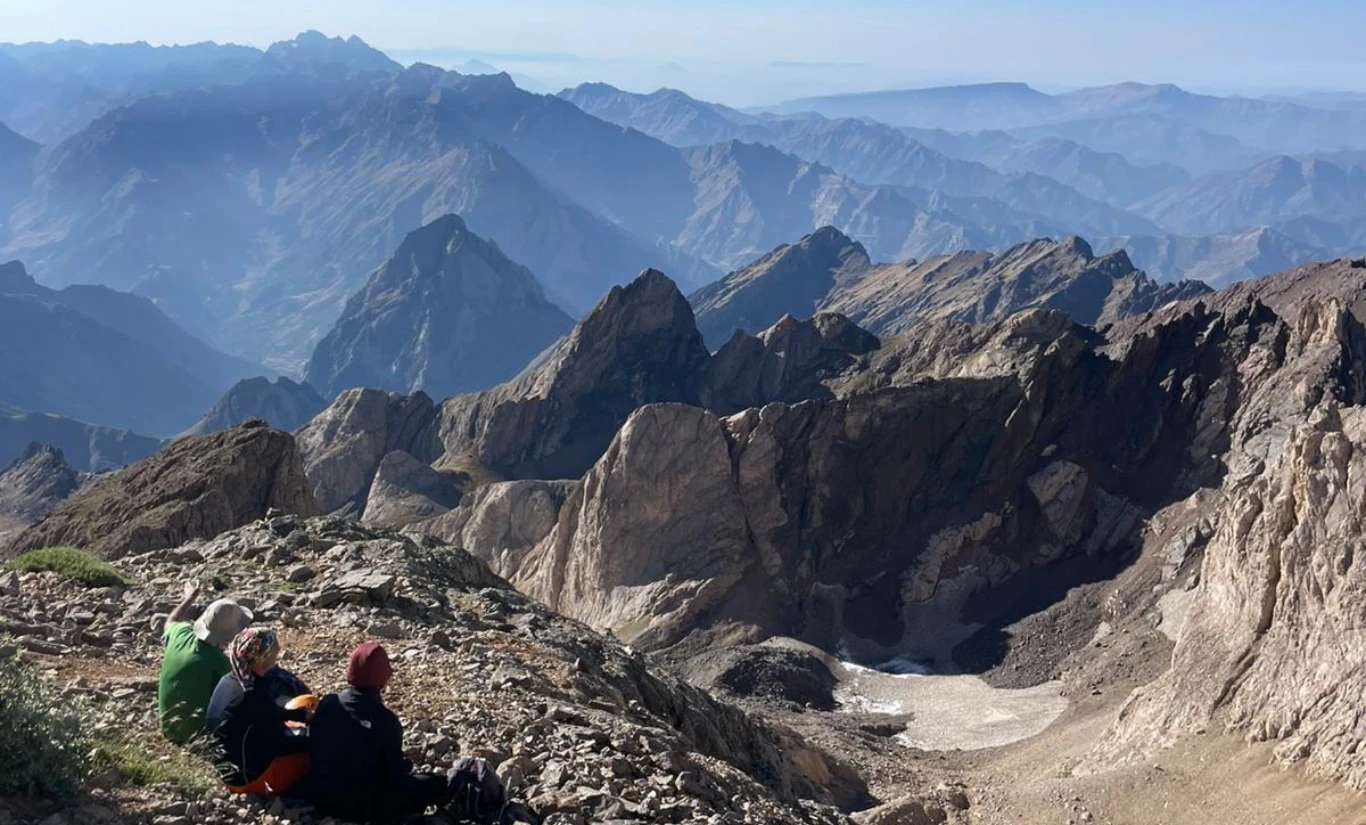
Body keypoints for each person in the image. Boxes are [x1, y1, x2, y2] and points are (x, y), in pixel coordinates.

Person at [303, 642, 507, 824]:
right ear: (381, 677)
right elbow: (392, 778)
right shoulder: (385, 721)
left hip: (321, 799)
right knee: (433, 783)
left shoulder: (329, 703)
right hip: (362, 810)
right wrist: (410, 771)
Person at [206, 628, 312, 796]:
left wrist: (298, 715)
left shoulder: (231, 680)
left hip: (227, 772)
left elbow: (262, 714)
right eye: (274, 652)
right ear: (263, 657)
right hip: (248, 781)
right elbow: (280, 746)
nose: (277, 654)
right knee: (311, 755)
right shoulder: (254, 695)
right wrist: (313, 739)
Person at [157, 580, 254, 744]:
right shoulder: (222, 663)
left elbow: (170, 621)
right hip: (198, 737)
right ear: (232, 634)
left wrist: (189, 598)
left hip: (168, 728)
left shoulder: (180, 634)